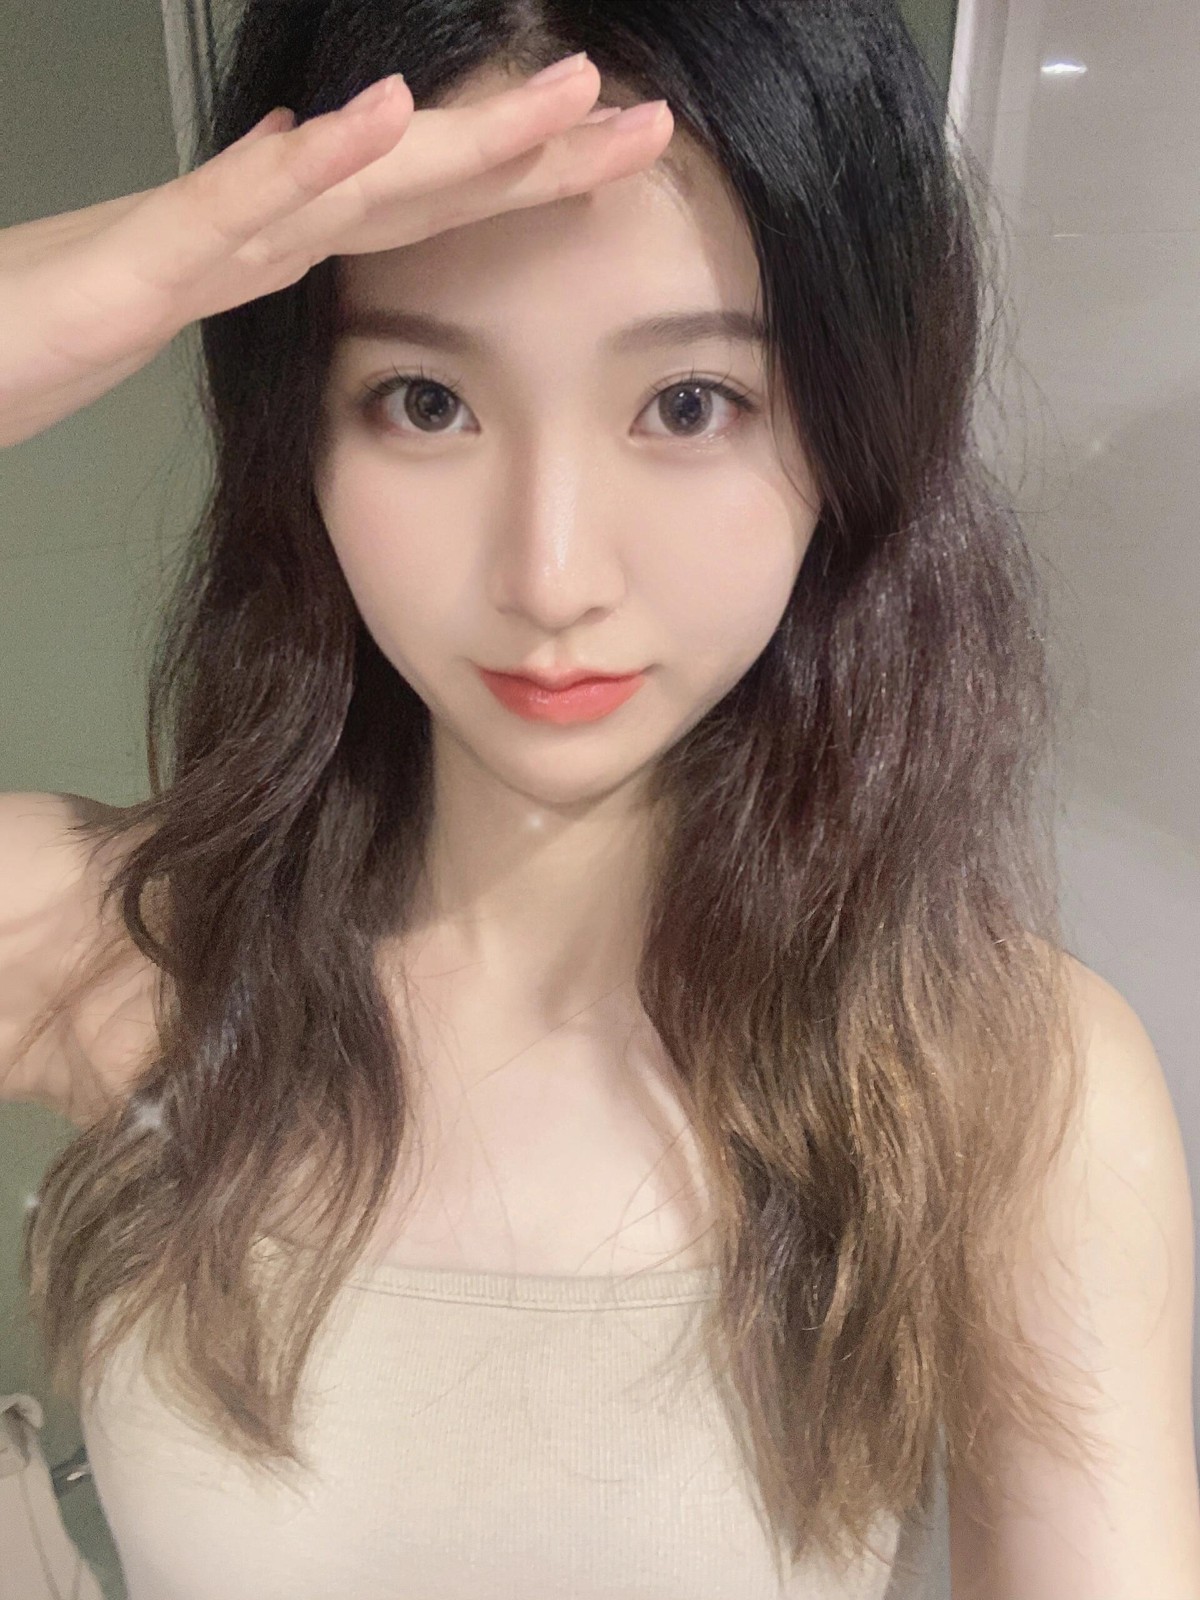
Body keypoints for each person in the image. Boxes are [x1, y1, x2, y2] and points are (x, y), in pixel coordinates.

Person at [3, 3, 1198, 1597]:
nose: (549, 574)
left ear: (853, 433)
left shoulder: (1001, 1088)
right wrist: (120, 275)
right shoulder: (120, 959)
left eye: (691, 402)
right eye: (424, 401)